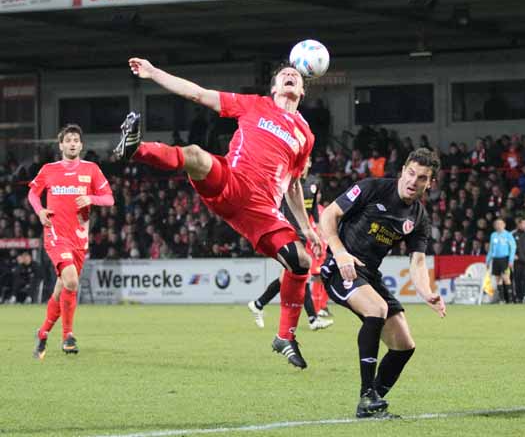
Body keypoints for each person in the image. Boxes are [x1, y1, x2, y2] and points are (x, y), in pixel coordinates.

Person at [115, 57, 321, 369]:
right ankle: (136, 149)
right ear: (274, 86)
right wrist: (154, 72)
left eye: (295, 75)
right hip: (232, 181)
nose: (290, 75)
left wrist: (306, 228)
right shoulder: (253, 105)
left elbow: (293, 185)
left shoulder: (306, 135)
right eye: (284, 74)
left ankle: (285, 337)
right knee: (196, 155)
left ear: (302, 90)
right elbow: (197, 93)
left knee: (300, 262)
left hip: (262, 209)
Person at [319, 148, 446, 418]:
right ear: (402, 171)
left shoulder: (418, 217)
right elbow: (328, 215)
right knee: (376, 309)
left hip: (370, 276)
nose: (414, 181)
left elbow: (418, 262)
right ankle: (367, 395)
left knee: (404, 346)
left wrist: (426, 292)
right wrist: (340, 252)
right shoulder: (372, 188)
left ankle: (370, 403)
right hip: (340, 268)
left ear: (429, 183)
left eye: (422, 178)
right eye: (411, 173)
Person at [30, 124, 114, 360]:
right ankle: (68, 336)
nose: (73, 143)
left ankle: (43, 332)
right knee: (71, 281)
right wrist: (39, 211)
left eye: (76, 139)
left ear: (81, 145)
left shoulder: (92, 169)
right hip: (55, 234)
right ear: (61, 145)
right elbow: (32, 193)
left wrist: (91, 197)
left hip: (79, 237)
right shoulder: (49, 169)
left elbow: (109, 199)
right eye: (68, 140)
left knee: (63, 288)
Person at [247, 160, 333, 331]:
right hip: (288, 233)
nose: (302, 165)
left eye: (305, 161)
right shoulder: (288, 182)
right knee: (302, 273)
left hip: (304, 234)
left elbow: (313, 208)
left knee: (289, 276)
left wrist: (317, 230)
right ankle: (313, 319)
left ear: (308, 163)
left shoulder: (314, 182)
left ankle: (258, 304)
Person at [486, 218, 517, 304]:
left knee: (506, 278)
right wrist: (487, 260)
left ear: (504, 225)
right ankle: (502, 299)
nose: (498, 226)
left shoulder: (508, 235)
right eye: (497, 224)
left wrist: (511, 260)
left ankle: (510, 299)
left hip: (505, 259)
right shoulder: (493, 235)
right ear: (495, 226)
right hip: (496, 259)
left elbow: (513, 247)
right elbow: (491, 249)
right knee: (497, 279)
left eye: (500, 224)